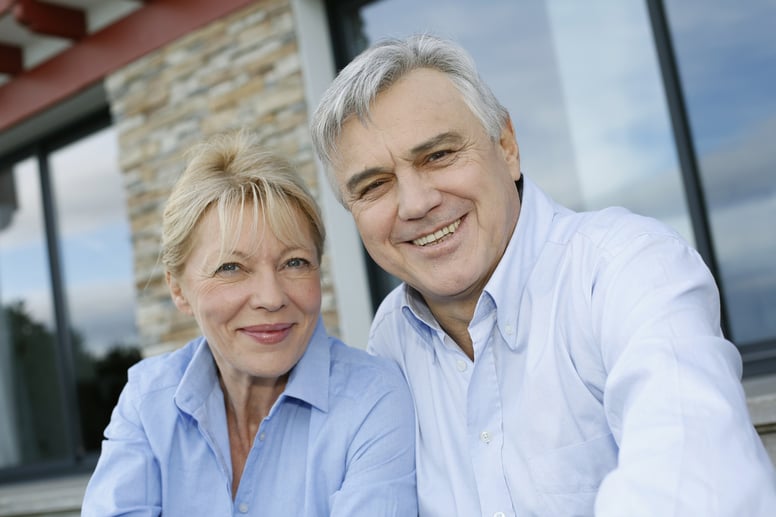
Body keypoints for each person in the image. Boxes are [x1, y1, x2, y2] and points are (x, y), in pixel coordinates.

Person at [310, 34, 776, 516]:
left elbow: (700, 484)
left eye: (438, 156)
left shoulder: (626, 269)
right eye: (375, 185)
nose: (415, 203)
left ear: (507, 146)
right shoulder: (391, 341)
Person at [81, 131, 417, 516]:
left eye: (294, 262)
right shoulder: (147, 401)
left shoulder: (373, 400)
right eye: (231, 268)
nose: (271, 297)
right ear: (178, 289)